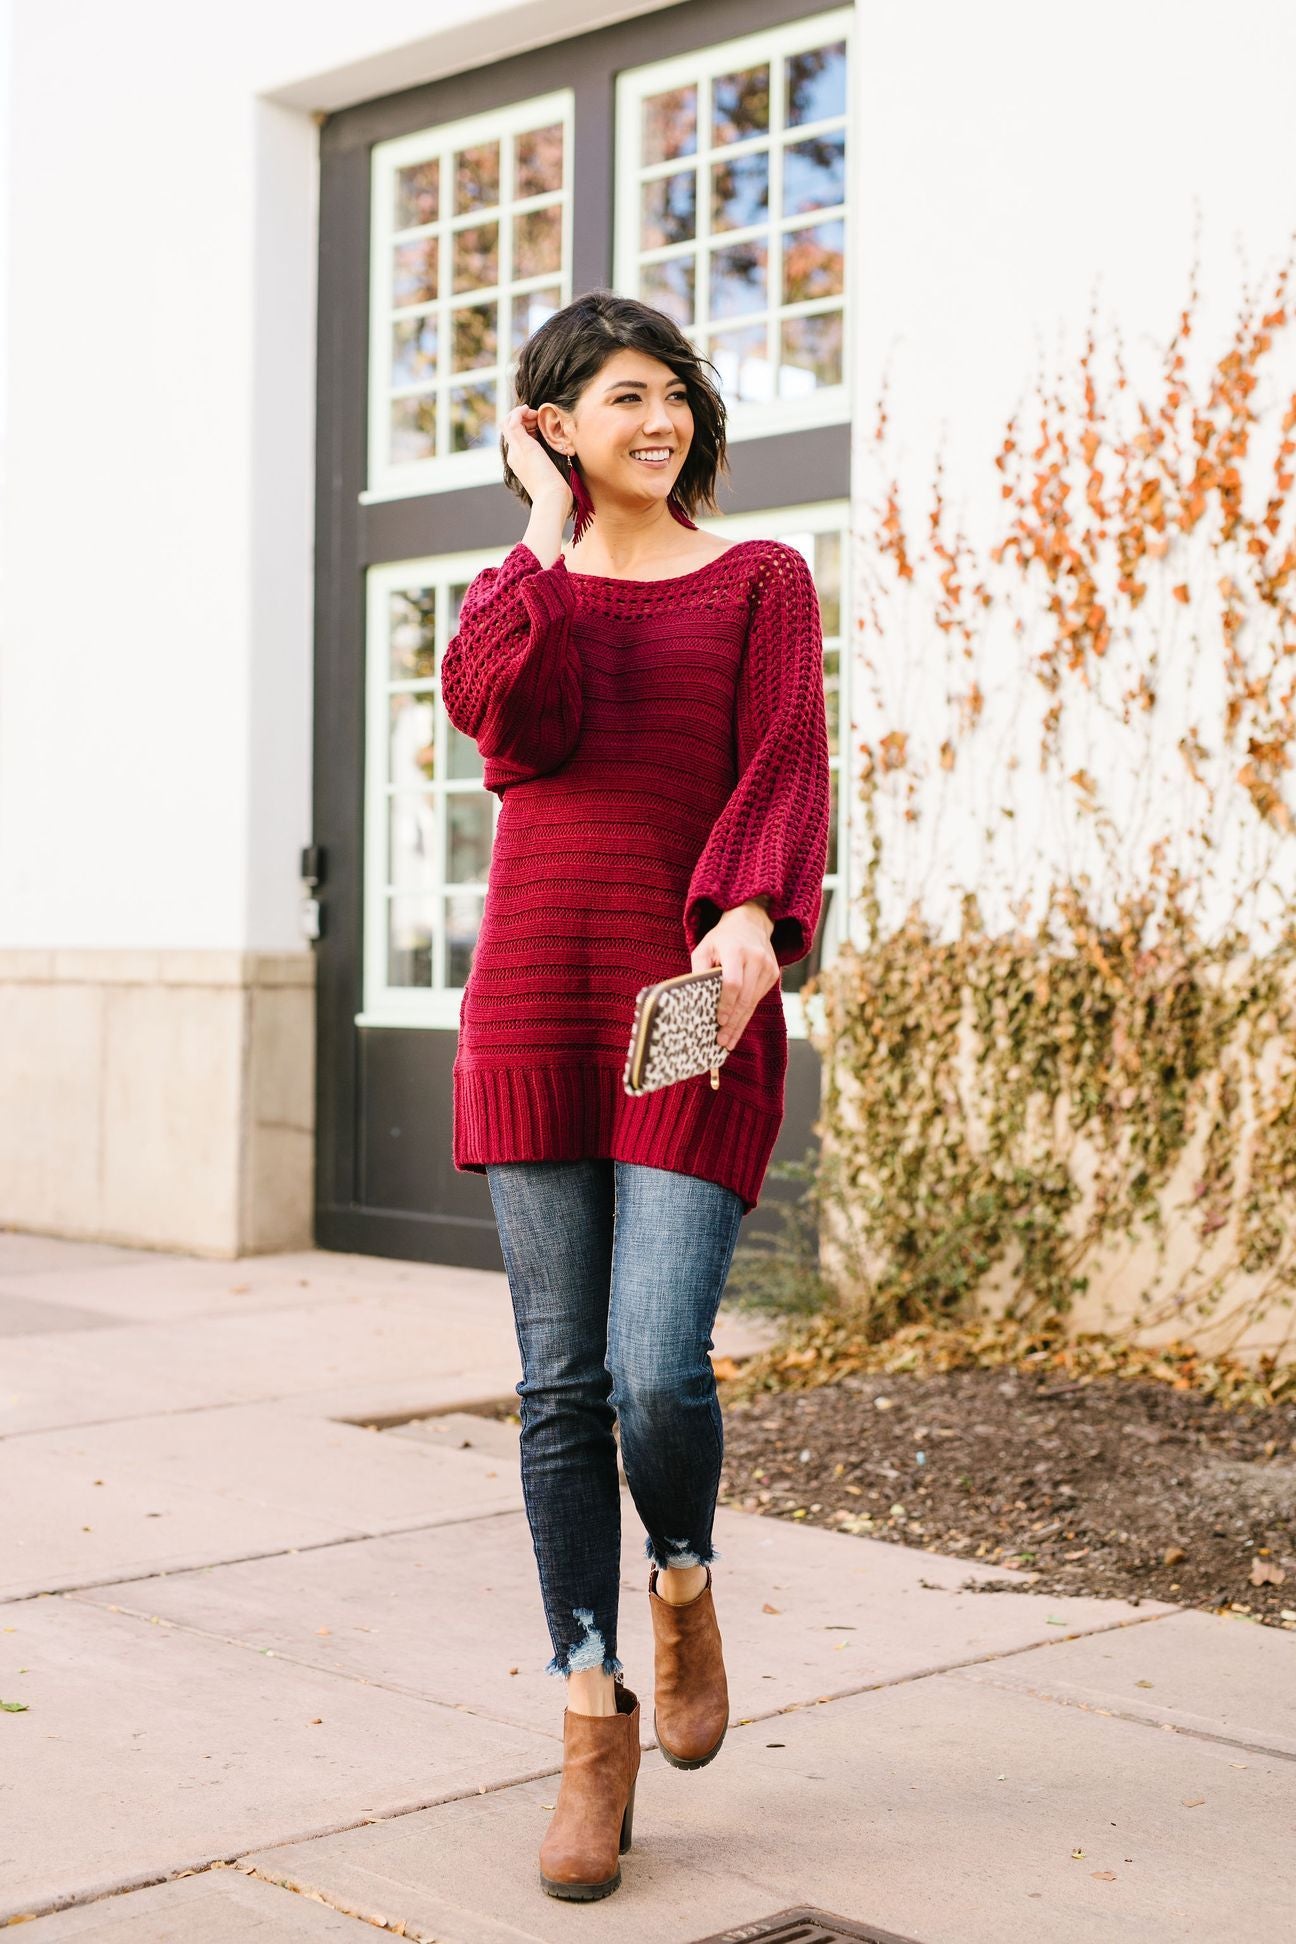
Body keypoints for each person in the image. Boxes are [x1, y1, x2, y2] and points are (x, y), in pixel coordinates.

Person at [439, 288, 831, 1901]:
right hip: (537, 999)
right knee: (557, 1388)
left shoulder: (760, 579)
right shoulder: (517, 593)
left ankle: (681, 1576)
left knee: (657, 1372)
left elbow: (786, 763)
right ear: (553, 427)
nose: (659, 419)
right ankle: (589, 1720)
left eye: (674, 391)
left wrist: (750, 910)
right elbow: (503, 722)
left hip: (687, 1010)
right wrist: (542, 531)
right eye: (620, 397)